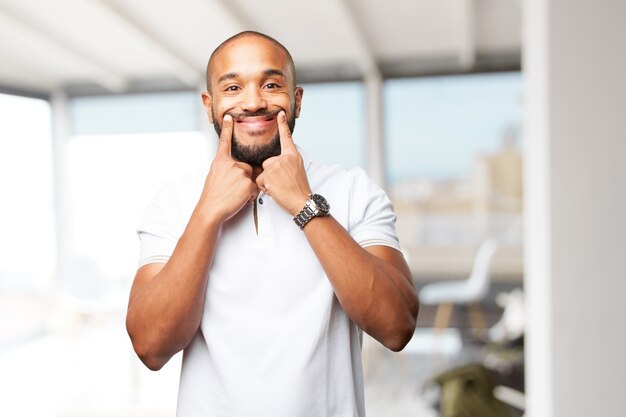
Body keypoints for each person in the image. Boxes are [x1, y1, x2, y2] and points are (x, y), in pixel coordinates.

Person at [126, 31, 419, 417]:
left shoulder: (354, 191)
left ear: (296, 99)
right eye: (233, 87)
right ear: (209, 104)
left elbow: (396, 327)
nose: (253, 102)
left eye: (270, 84)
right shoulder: (175, 201)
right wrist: (207, 212)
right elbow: (150, 346)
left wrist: (303, 203)